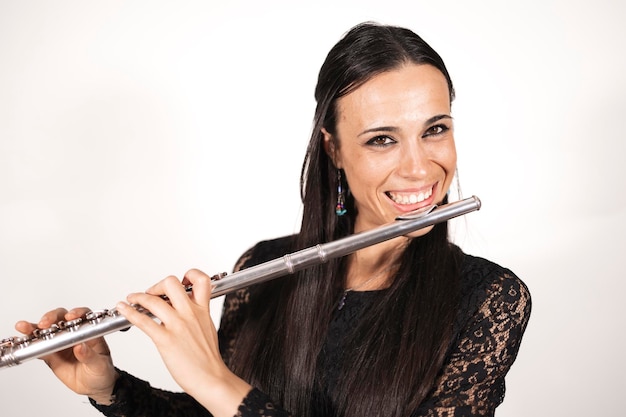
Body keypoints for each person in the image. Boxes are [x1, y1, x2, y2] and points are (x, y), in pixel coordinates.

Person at [16, 22, 531, 417]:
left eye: (434, 129)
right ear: (333, 150)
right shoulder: (262, 268)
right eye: (382, 139)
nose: (420, 166)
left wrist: (215, 380)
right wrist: (110, 387)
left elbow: (231, 400)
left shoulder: (489, 299)